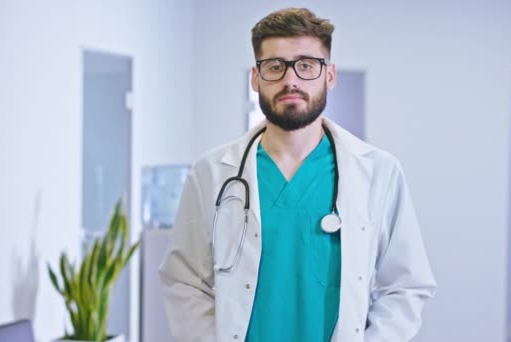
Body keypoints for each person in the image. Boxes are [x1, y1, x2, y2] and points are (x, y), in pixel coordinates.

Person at [159, 7, 436, 342]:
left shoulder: (379, 172)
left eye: (306, 65)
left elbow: (405, 286)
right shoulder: (212, 173)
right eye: (275, 66)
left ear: (329, 76)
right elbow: (184, 282)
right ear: (255, 77)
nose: (290, 79)